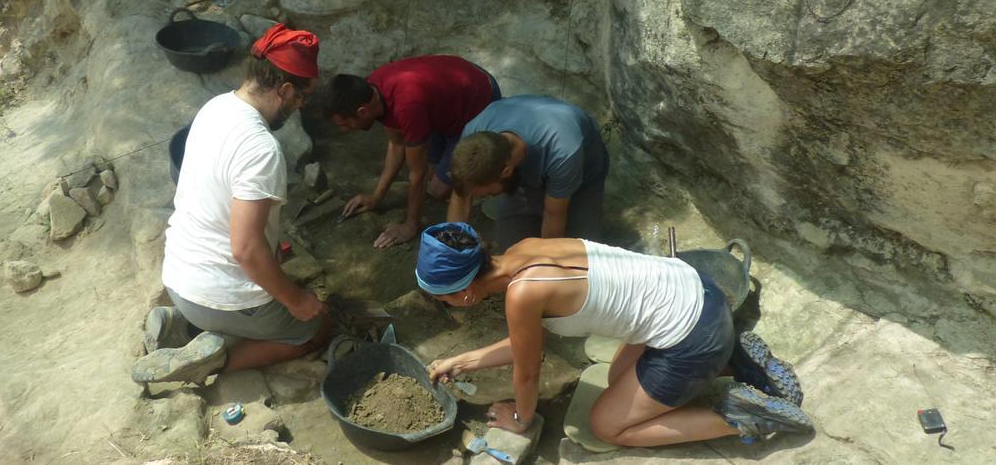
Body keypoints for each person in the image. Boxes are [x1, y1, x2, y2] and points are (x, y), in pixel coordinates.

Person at [416, 223, 811, 446]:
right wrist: (461, 361)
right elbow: (525, 345)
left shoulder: (523, 294)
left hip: (691, 337)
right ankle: (737, 361)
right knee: (614, 379)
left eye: (442, 297)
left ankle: (744, 417)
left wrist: (521, 417)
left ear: (465, 293)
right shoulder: (524, 248)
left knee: (607, 426)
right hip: (702, 294)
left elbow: (528, 369)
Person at [131, 23, 333, 385]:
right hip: (217, 295)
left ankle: (180, 324)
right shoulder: (262, 149)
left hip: (178, 280)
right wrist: (297, 300)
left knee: (271, 272)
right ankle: (210, 364)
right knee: (315, 329)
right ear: (285, 90)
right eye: (302, 97)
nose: (300, 105)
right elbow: (245, 249)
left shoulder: (215, 107)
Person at [325, 55, 501, 248]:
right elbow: (396, 143)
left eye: (345, 124)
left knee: (438, 189)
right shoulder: (373, 89)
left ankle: (481, 179)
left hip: (478, 100)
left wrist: (410, 225)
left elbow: (418, 173)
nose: (345, 130)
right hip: (446, 102)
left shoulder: (407, 107)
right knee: (433, 173)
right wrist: (375, 197)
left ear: (362, 112)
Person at [448, 95, 608, 248]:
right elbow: (460, 196)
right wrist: (453, 247)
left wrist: (544, 266)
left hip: (582, 171)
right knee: (510, 244)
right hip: (526, 168)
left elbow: (554, 216)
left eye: (486, 194)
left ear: (505, 172)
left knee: (580, 249)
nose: (485, 197)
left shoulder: (562, 150)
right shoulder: (473, 136)